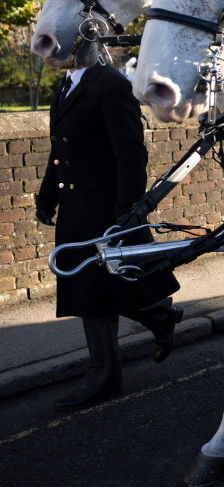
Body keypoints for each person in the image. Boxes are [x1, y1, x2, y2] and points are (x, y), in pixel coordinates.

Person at [35, 52, 181, 412]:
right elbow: (61, 152)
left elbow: (132, 155)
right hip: (75, 210)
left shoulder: (113, 85)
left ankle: (103, 375)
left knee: (92, 293)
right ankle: (158, 317)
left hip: (105, 211)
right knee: (92, 291)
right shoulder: (66, 87)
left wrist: (126, 213)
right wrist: (46, 196)